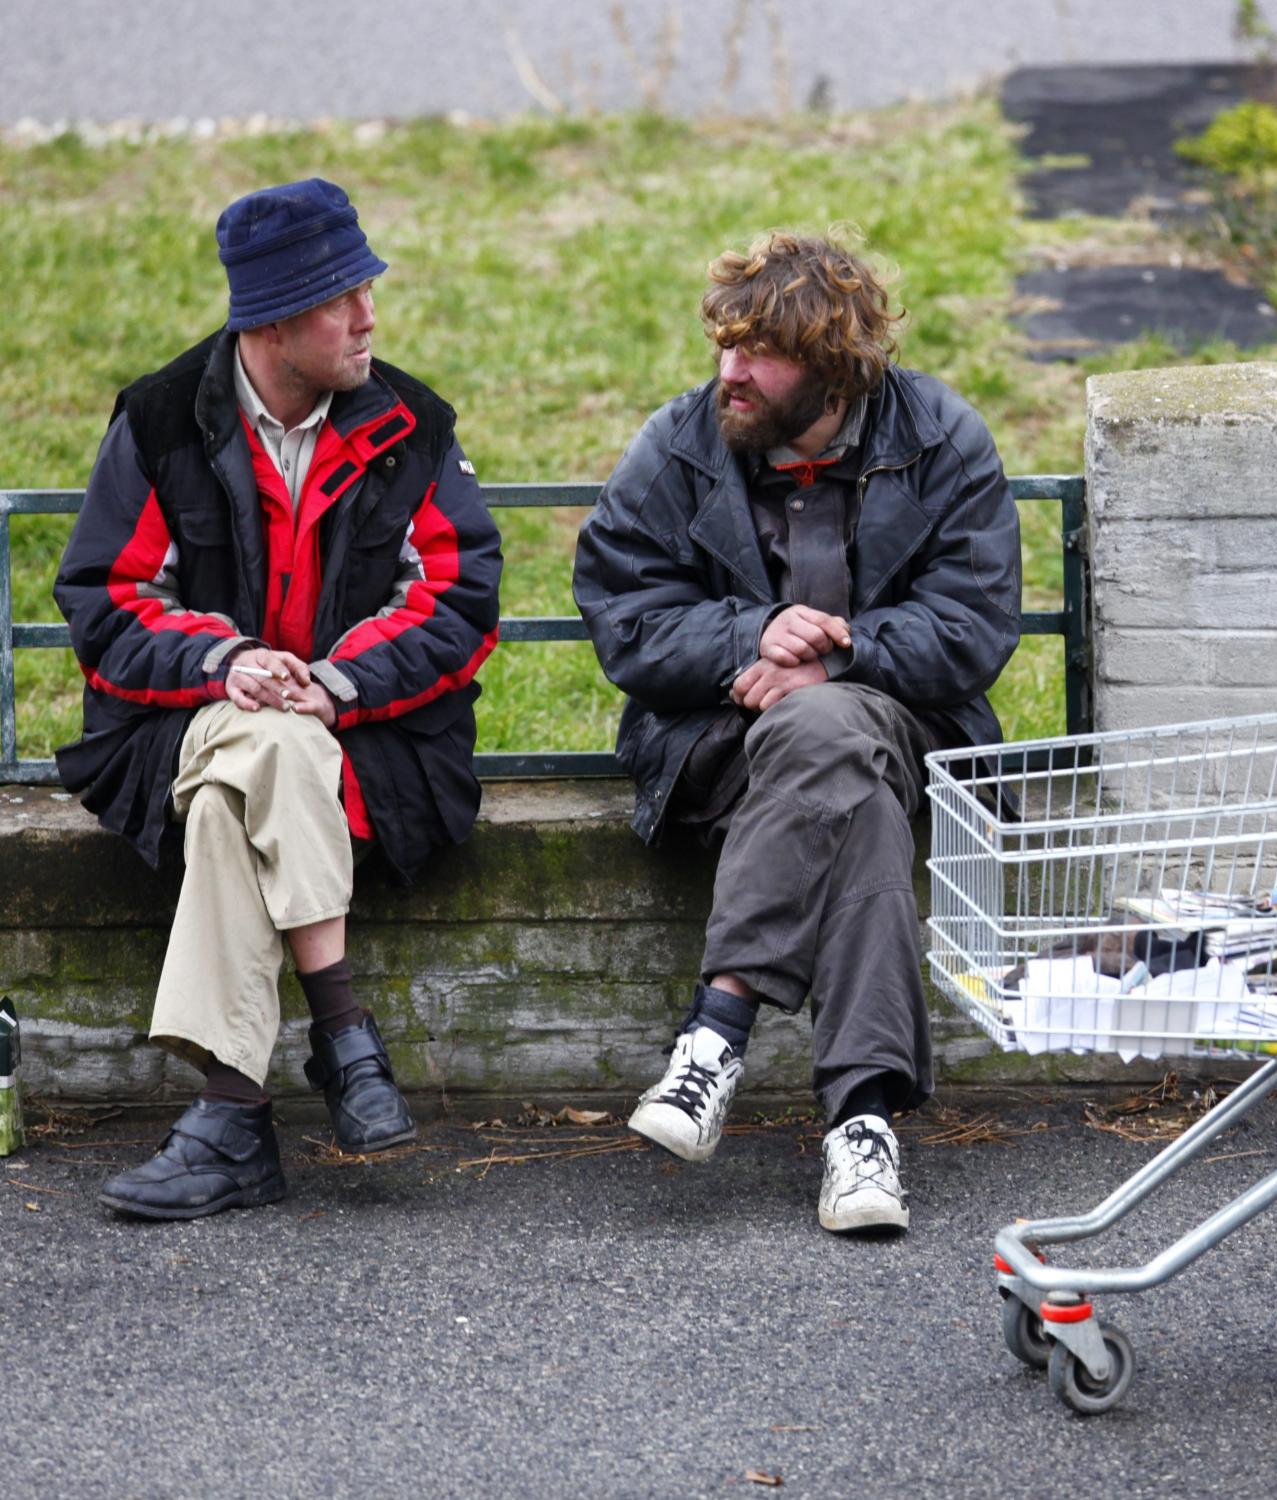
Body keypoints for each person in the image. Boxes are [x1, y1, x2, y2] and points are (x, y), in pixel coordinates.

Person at [54, 179, 502, 1219]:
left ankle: (232, 1118)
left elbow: (459, 598)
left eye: (365, 291)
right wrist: (227, 665)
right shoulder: (163, 420)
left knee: (239, 792)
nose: (369, 317)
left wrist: (332, 684)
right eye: (343, 295)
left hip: (378, 745)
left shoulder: (411, 423)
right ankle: (343, 1037)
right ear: (274, 319)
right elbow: (108, 598)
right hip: (181, 724)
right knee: (260, 740)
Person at [572, 231, 1020, 1233]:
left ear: (831, 366)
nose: (730, 371)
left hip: (903, 728)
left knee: (832, 733)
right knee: (846, 793)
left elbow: (974, 627)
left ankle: (716, 1034)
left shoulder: (941, 438)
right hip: (719, 744)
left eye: (758, 354)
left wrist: (842, 654)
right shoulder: (681, 444)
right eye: (725, 346)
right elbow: (623, 612)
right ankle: (863, 1124)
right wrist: (751, 632)